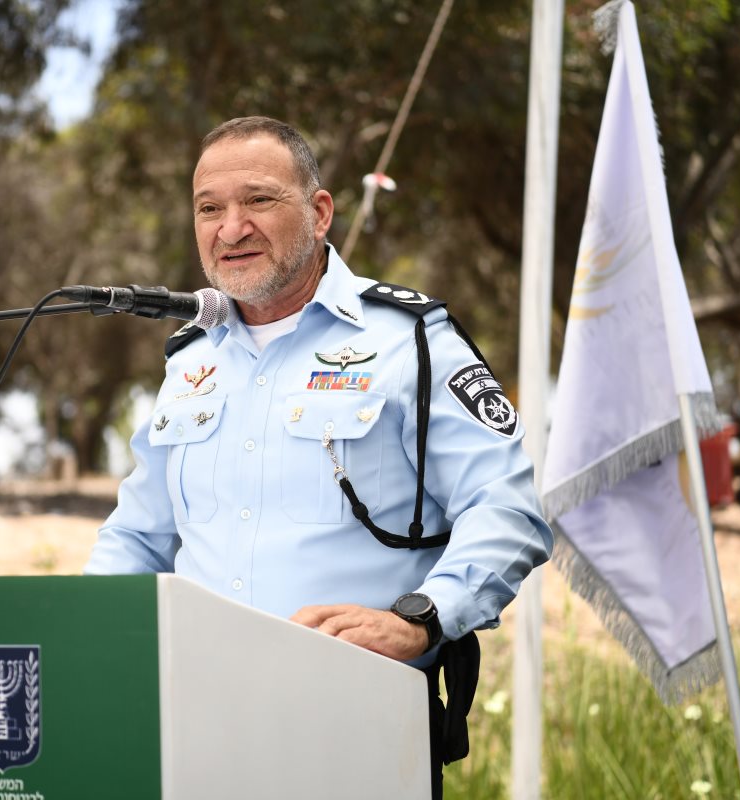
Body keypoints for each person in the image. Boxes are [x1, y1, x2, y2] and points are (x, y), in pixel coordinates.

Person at [84, 116, 552, 797]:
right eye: (209, 209)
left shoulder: (410, 341)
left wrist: (420, 619)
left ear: (321, 212)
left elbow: (508, 510)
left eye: (260, 200)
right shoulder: (189, 362)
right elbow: (139, 536)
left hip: (354, 729)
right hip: (196, 727)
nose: (231, 227)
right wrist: (82, 633)